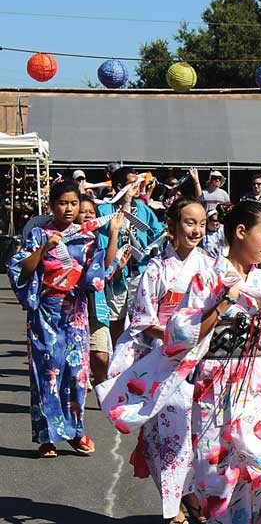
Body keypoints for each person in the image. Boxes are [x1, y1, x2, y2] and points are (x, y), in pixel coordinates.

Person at [100, 201, 261, 523]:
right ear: (241, 232)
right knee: (223, 490)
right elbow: (180, 336)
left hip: (256, 392)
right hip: (214, 391)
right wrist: (225, 301)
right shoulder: (207, 278)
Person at [106, 198, 213, 523]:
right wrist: (176, 333)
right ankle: (174, 508)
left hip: (200, 360)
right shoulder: (157, 269)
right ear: (172, 227)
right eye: (189, 222)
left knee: (195, 436)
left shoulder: (210, 266)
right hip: (162, 361)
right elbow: (141, 320)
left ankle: (189, 496)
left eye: (202, 224)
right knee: (164, 437)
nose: (196, 230)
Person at [8, 180, 113, 458]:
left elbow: (99, 273)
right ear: (52, 205)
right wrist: (43, 249)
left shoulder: (88, 237)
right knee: (46, 373)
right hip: (46, 310)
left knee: (77, 374)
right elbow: (20, 270)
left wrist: (110, 239)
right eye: (63, 203)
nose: (69, 209)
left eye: (74, 203)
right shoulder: (38, 234)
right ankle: (47, 437)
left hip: (75, 311)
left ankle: (76, 431)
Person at [96, 167, 165, 342]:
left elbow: (157, 233)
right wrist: (125, 202)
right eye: (132, 183)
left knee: (140, 322)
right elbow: (103, 242)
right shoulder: (105, 210)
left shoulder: (143, 210)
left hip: (139, 272)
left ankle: (134, 361)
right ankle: (114, 360)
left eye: (138, 182)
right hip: (117, 274)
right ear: (120, 186)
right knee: (116, 320)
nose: (137, 186)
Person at [76, 195, 126, 385]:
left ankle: (100, 389)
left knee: (101, 358)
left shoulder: (98, 240)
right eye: (83, 211)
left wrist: (114, 233)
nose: (88, 215)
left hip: (95, 305)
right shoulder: (65, 240)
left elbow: (104, 269)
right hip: (72, 307)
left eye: (91, 212)